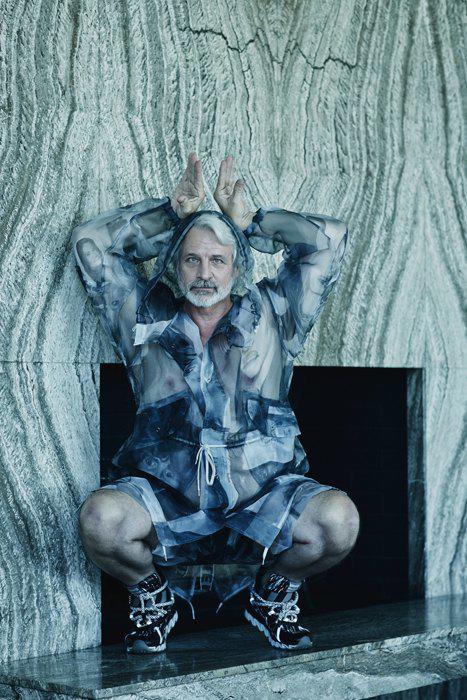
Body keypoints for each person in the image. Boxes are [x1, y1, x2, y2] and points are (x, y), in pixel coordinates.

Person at [71, 152, 360, 654]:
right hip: (168, 497)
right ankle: (152, 596)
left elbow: (328, 240)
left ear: (236, 266)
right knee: (100, 520)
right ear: (174, 265)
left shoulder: (275, 315)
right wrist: (170, 215)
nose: (204, 273)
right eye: (192, 259)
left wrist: (251, 222)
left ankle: (275, 592)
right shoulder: (142, 317)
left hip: (262, 496)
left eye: (218, 259)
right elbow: (91, 243)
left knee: (339, 522)